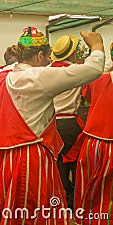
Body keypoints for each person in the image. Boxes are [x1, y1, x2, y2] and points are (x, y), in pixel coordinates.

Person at [0, 26, 104, 224]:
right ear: (39, 56)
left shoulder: (2, 77)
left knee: (7, 207)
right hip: (27, 156)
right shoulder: (38, 77)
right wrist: (97, 45)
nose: (49, 63)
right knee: (30, 209)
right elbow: (93, 69)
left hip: (1, 158)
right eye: (47, 58)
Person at [75, 56, 113, 225]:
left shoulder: (97, 77)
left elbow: (88, 97)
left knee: (91, 186)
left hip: (95, 139)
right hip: (100, 138)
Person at [50, 35, 85, 210]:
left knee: (58, 162)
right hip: (70, 122)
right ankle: (75, 201)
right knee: (75, 163)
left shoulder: (47, 70)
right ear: (72, 54)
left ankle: (64, 197)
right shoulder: (76, 70)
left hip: (52, 123)